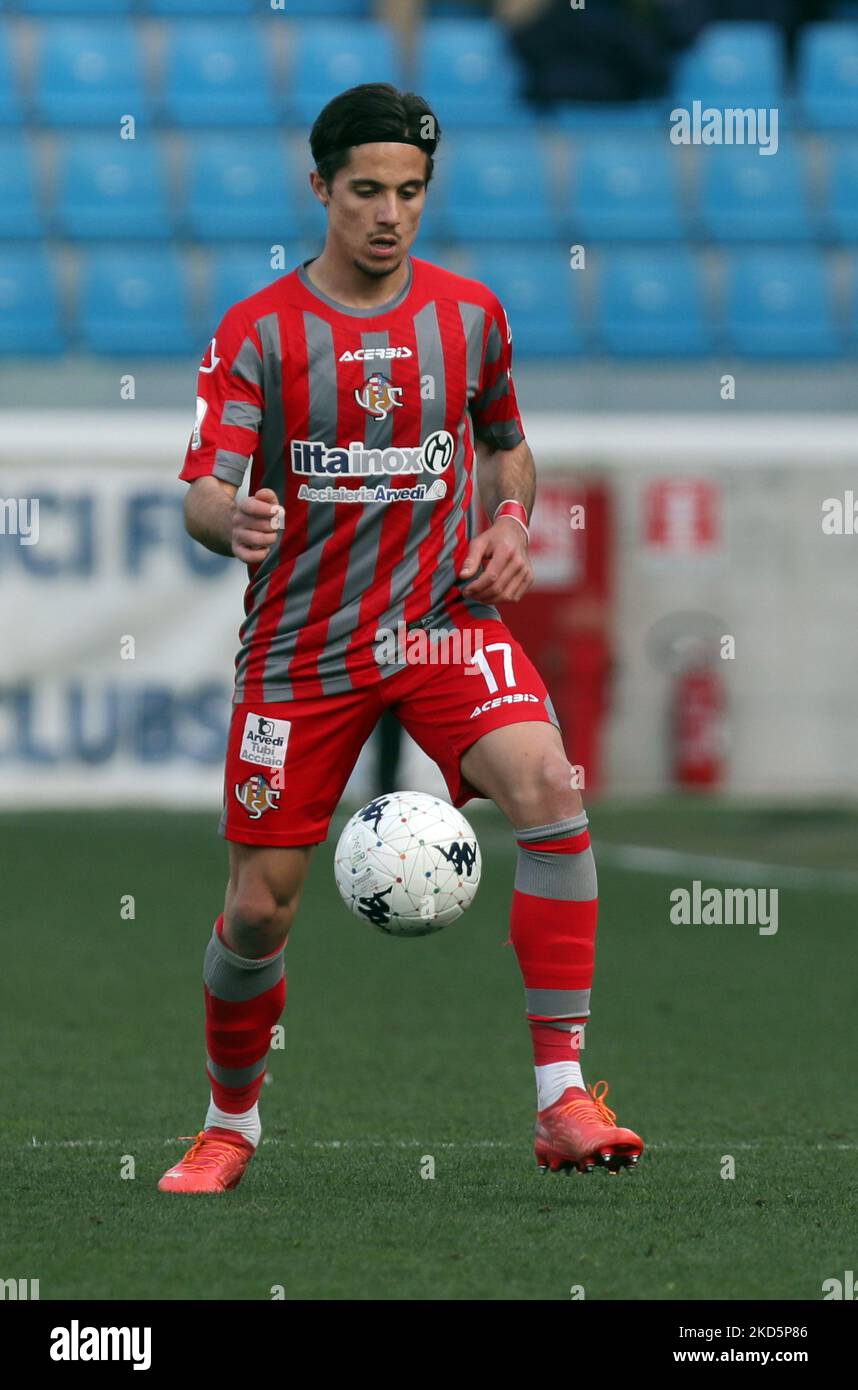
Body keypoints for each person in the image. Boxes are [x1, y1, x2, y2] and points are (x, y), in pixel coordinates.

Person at [158, 83, 643, 1194]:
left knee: (551, 789)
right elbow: (199, 491)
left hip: (439, 626)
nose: (390, 214)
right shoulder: (258, 332)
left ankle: (562, 1096)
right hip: (300, 653)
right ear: (320, 189)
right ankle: (230, 1123)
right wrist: (231, 518)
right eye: (366, 191)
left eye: (410, 193)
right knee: (256, 907)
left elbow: (509, 445)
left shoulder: (472, 317)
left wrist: (512, 518)